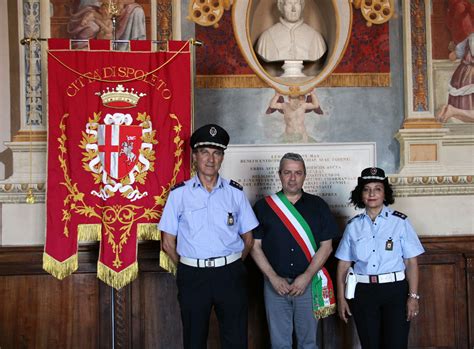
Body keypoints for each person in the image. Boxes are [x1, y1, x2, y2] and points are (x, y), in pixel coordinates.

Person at [159, 124, 259, 349]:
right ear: (194, 156)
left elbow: (248, 238)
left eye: (216, 153)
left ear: (222, 157)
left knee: (235, 340)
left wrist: (231, 264)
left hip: (230, 275)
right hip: (193, 276)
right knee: (194, 340)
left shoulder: (235, 193)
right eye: (204, 152)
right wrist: (186, 266)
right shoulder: (179, 195)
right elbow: (167, 242)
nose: (210, 159)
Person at [251, 152, 338, 349]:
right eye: (287, 172)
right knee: (279, 344)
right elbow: (255, 247)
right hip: (275, 285)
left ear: (305, 175)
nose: (292, 178)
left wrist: (306, 276)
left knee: (308, 343)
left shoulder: (319, 206)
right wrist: (273, 278)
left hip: (308, 285)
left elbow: (327, 246)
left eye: (298, 173)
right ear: (279, 174)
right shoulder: (263, 207)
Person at [335, 167, 425, 349]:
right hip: (364, 292)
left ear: (385, 194)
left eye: (377, 189)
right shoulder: (353, 226)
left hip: (395, 292)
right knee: (370, 345)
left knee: (396, 344)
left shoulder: (400, 222)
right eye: (367, 189)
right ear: (361, 195)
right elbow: (343, 265)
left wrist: (413, 297)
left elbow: (411, 262)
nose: (372, 194)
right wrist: (341, 298)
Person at [255, 0, 326, 63]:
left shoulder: (316, 38)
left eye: (297, 3)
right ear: (281, 6)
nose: (293, 9)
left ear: (302, 6)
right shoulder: (266, 38)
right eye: (289, 3)